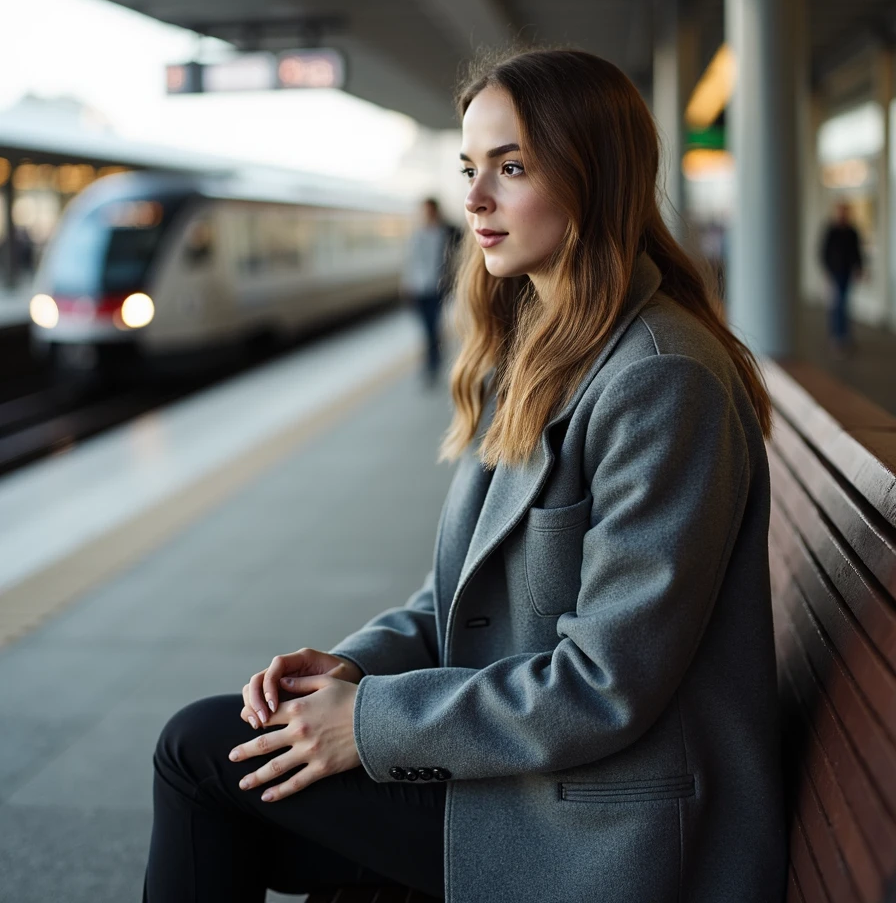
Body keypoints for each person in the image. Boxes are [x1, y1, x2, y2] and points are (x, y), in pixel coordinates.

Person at [144, 50, 787, 903]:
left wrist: (367, 729)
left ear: (598, 178)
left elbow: (606, 685)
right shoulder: (549, 349)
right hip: (530, 774)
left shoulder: (660, 381)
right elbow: (455, 597)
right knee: (238, 778)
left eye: (511, 168)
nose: (475, 200)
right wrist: (349, 672)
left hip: (606, 823)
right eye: (469, 169)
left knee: (199, 753)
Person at [402, 196, 460, 384]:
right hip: (418, 289)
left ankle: (433, 365)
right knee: (427, 329)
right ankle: (433, 361)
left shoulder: (448, 231)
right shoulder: (417, 234)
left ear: (436, 210)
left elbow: (459, 255)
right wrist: (406, 286)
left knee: (433, 328)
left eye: (429, 209)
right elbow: (411, 262)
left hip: (438, 288)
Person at [820, 201, 864, 353]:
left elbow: (857, 251)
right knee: (837, 304)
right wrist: (827, 270)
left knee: (844, 304)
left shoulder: (852, 231)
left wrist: (859, 268)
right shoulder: (831, 230)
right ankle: (837, 336)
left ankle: (844, 336)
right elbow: (824, 252)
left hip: (847, 271)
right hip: (835, 272)